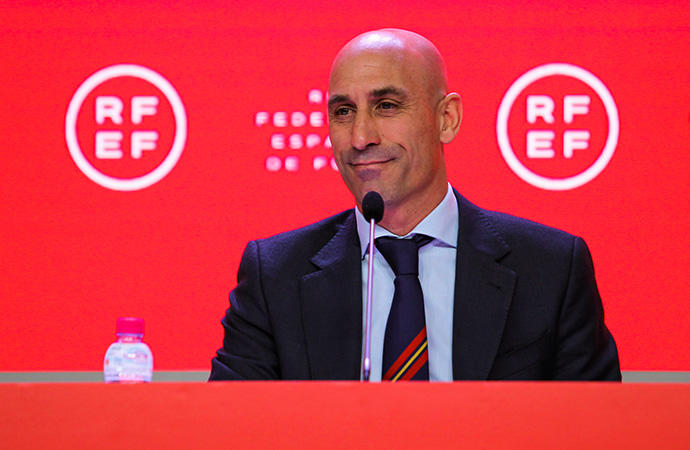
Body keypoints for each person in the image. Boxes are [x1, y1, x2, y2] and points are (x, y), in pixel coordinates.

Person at [210, 28, 621, 381]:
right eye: (343, 111)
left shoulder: (550, 268)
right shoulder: (275, 275)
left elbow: (596, 426)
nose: (360, 137)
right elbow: (230, 425)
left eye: (387, 106)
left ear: (446, 118)